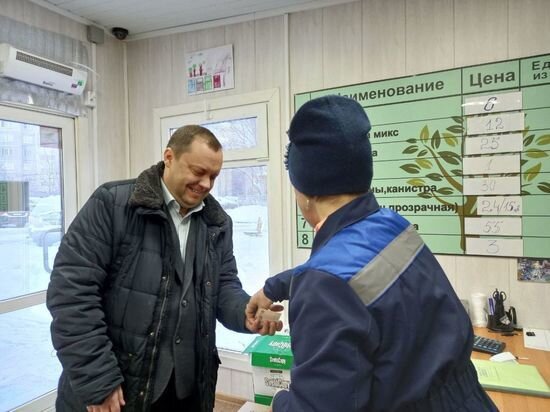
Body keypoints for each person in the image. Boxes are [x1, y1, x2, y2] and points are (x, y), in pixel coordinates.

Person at [246, 95, 498, 411]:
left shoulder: (324, 282)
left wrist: (280, 400)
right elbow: (351, 270)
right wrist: (274, 287)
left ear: (304, 189)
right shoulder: (392, 225)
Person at [47, 125, 281, 412]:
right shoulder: (113, 204)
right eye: (198, 172)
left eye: (214, 176)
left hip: (186, 391)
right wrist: (98, 380)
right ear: (169, 157)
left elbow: (223, 287)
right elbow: (71, 295)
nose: (206, 184)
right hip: (118, 387)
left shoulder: (217, 224)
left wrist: (246, 313)